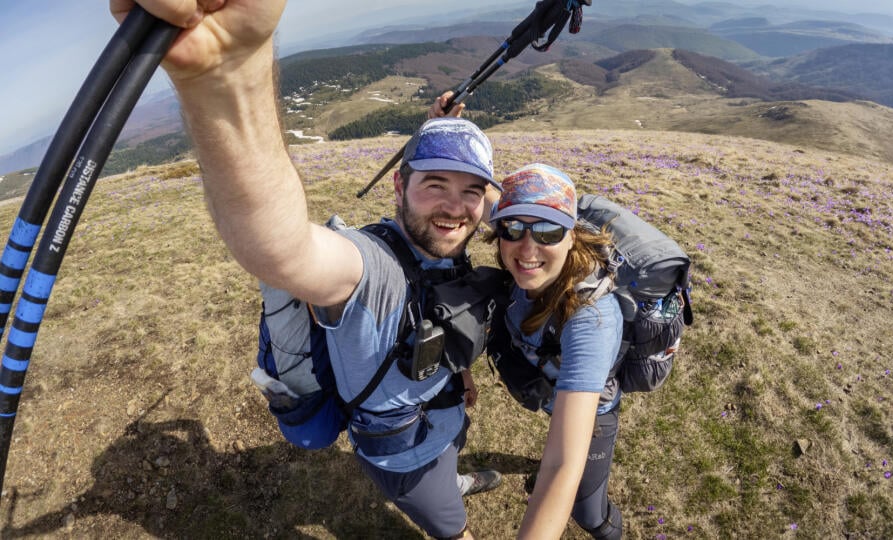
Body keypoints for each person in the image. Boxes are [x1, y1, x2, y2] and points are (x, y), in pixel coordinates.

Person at [109, 1, 502, 538]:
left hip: (445, 412)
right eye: (435, 185)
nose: (456, 208)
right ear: (398, 186)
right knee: (450, 526)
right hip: (403, 456)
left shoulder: (448, 244)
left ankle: (453, 477)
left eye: (471, 192)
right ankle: (448, 507)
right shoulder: (370, 270)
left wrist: (459, 373)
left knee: (451, 455)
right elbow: (283, 248)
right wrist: (229, 73)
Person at [486, 164, 625, 540]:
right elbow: (475, 187)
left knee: (587, 511)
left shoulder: (590, 321)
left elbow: (563, 463)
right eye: (513, 228)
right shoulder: (518, 242)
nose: (527, 248)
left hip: (594, 414)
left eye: (548, 230)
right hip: (553, 392)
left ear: (572, 236)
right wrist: (440, 127)